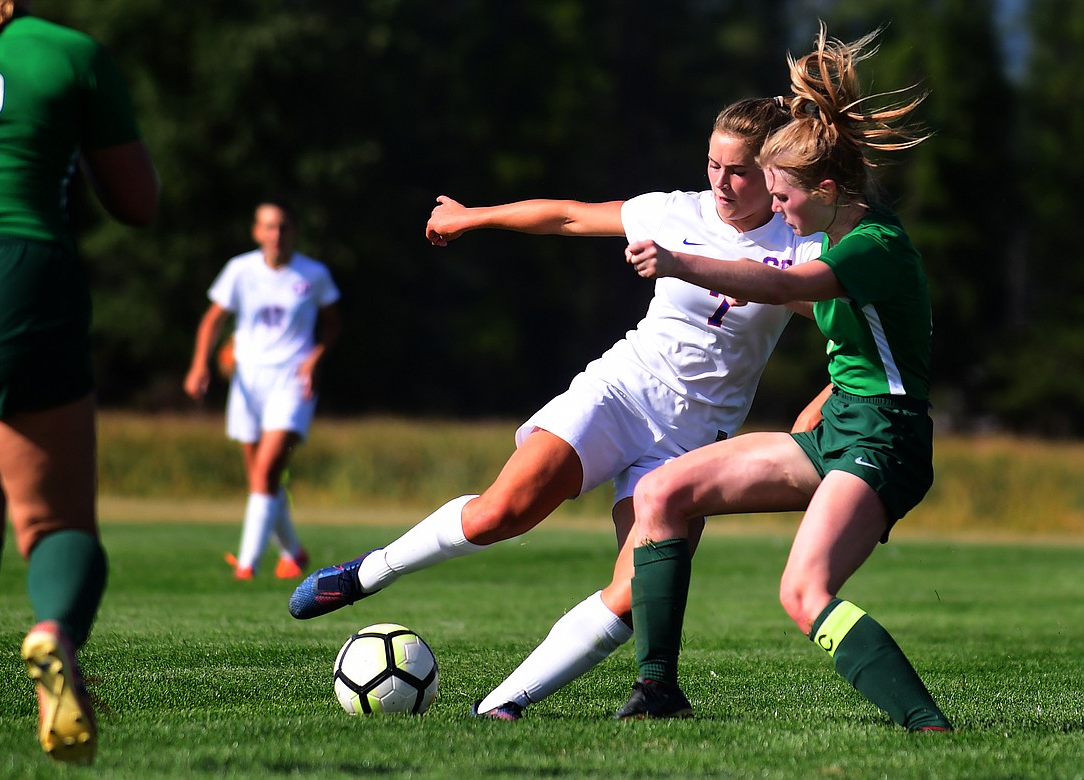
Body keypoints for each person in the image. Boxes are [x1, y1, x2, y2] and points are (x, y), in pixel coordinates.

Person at [289, 97, 824, 720]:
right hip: (620, 393)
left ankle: (502, 706)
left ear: (773, 175)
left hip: (694, 441)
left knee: (633, 594)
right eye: (712, 165)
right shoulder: (673, 212)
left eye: (738, 171)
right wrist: (472, 217)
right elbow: (569, 217)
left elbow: (857, 339)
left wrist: (815, 405)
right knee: (500, 514)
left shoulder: (802, 247)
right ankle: (366, 573)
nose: (721, 183)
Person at [616, 24, 952, 732]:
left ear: (827, 188)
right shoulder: (831, 226)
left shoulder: (873, 244)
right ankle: (658, 691)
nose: (777, 208)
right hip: (842, 428)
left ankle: (928, 726)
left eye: (784, 195)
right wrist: (828, 395)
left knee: (803, 591)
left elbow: (787, 286)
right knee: (663, 491)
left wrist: (681, 262)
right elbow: (866, 335)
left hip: (884, 441)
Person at [0, 0, 159, 765]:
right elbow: (137, 204)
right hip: (14, 273)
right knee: (53, 523)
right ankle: (52, 630)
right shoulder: (67, 52)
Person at [184, 201, 341, 580]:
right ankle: (294, 552)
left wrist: (316, 356)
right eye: (269, 227)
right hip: (246, 382)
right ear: (257, 232)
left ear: (294, 231)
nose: (277, 234)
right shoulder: (240, 270)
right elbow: (212, 321)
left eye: (284, 227)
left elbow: (334, 324)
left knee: (267, 471)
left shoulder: (313, 273)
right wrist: (200, 364)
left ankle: (246, 564)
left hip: (291, 381)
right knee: (261, 478)